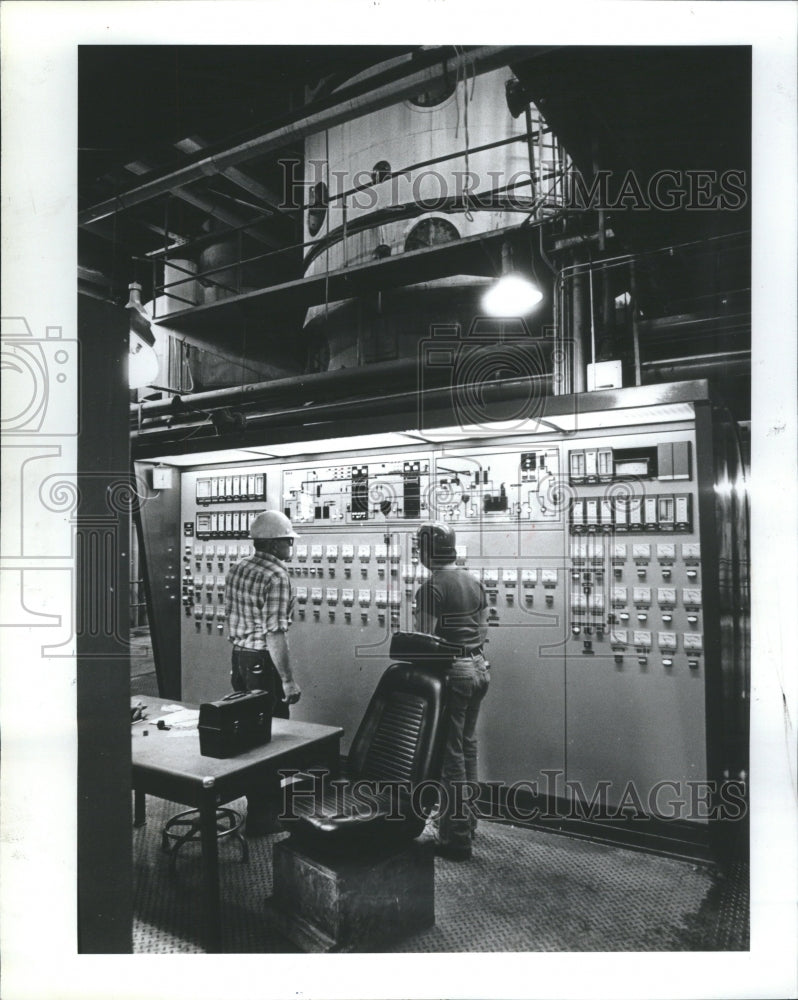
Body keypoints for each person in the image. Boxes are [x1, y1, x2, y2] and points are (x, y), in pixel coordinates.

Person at [413, 521, 490, 861]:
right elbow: (484, 628)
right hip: (478, 667)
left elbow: (424, 644)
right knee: (467, 748)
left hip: (453, 673)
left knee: (450, 757)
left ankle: (455, 839)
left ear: (427, 552)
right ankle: (468, 823)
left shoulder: (431, 587)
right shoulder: (474, 581)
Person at [225, 509, 301, 835]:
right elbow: (275, 634)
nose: (291, 545)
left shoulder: (239, 567)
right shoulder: (277, 576)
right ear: (271, 544)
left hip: (240, 658)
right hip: (262, 662)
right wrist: (287, 679)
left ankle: (255, 805)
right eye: (287, 540)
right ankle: (264, 816)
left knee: (249, 737)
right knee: (270, 739)